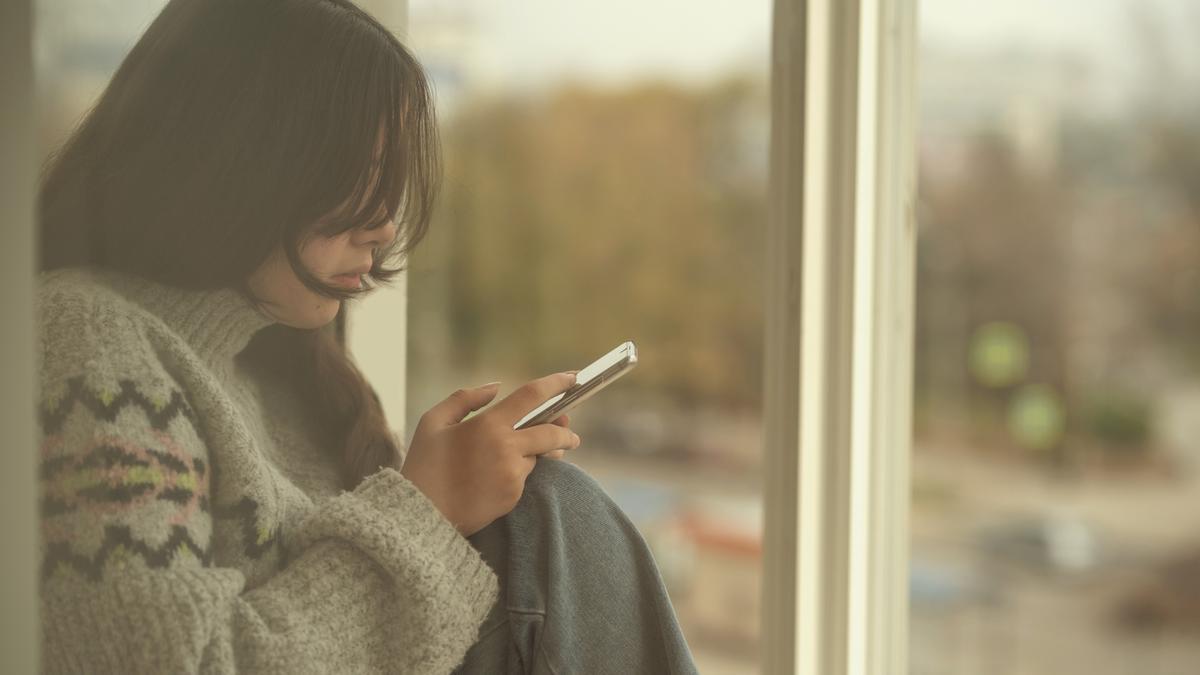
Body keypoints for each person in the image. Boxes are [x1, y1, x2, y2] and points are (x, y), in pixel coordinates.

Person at [35, 0, 698, 672]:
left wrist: (460, 492)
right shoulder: (82, 336)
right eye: (355, 176)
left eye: (393, 182)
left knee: (543, 508)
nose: (383, 224)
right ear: (234, 157)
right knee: (553, 517)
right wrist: (427, 514)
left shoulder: (280, 373)